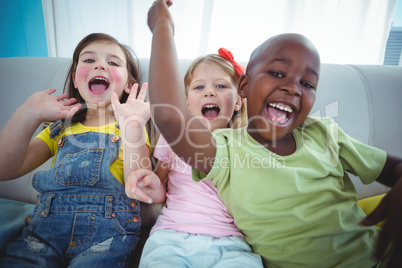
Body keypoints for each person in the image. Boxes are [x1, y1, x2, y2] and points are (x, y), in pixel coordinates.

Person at [145, 1, 402, 267]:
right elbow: (170, 118)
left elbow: (394, 168)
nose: (293, 88)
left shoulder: (323, 133)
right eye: (277, 73)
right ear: (244, 86)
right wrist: (163, 25)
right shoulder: (225, 149)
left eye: (307, 83)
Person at [0, 33, 151, 267]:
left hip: (108, 235)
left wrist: (133, 126)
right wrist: (26, 114)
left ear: (129, 85)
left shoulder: (131, 127)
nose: (100, 65)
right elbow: (5, 169)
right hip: (43, 231)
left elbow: (140, 183)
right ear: (75, 79)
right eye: (89, 60)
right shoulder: (60, 127)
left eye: (113, 62)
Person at [126, 50, 263, 267]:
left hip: (230, 243)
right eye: (199, 87)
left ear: (238, 101)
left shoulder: (245, 143)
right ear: (187, 103)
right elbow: (160, 189)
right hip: (171, 237)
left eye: (221, 86)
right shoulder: (174, 138)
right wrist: (151, 183)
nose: (209, 92)